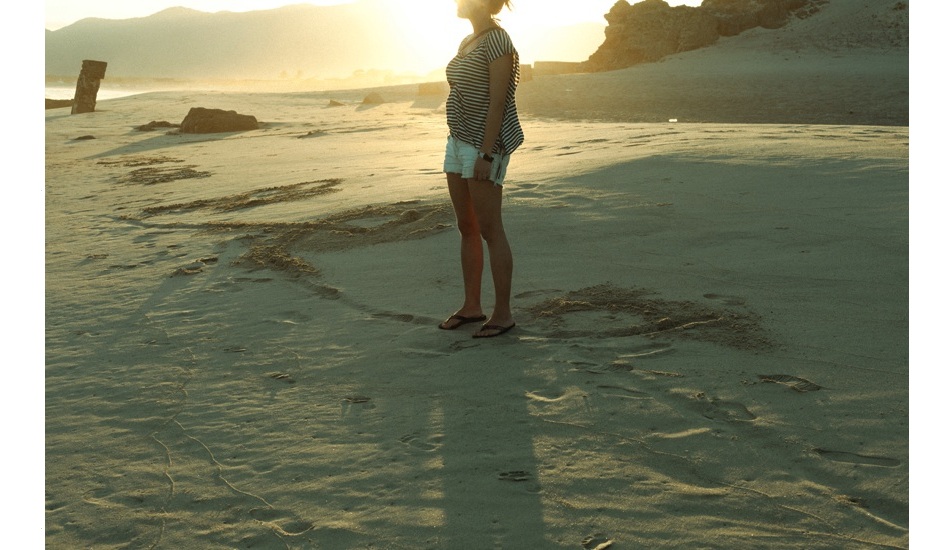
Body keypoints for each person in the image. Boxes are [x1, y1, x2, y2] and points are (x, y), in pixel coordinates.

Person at [438, 0, 524, 339]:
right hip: (457, 141)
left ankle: (503, 314)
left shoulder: (498, 40)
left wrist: (486, 154)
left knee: (490, 229)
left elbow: (499, 100)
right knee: (466, 227)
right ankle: (472, 306)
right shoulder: (467, 42)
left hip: (484, 145)